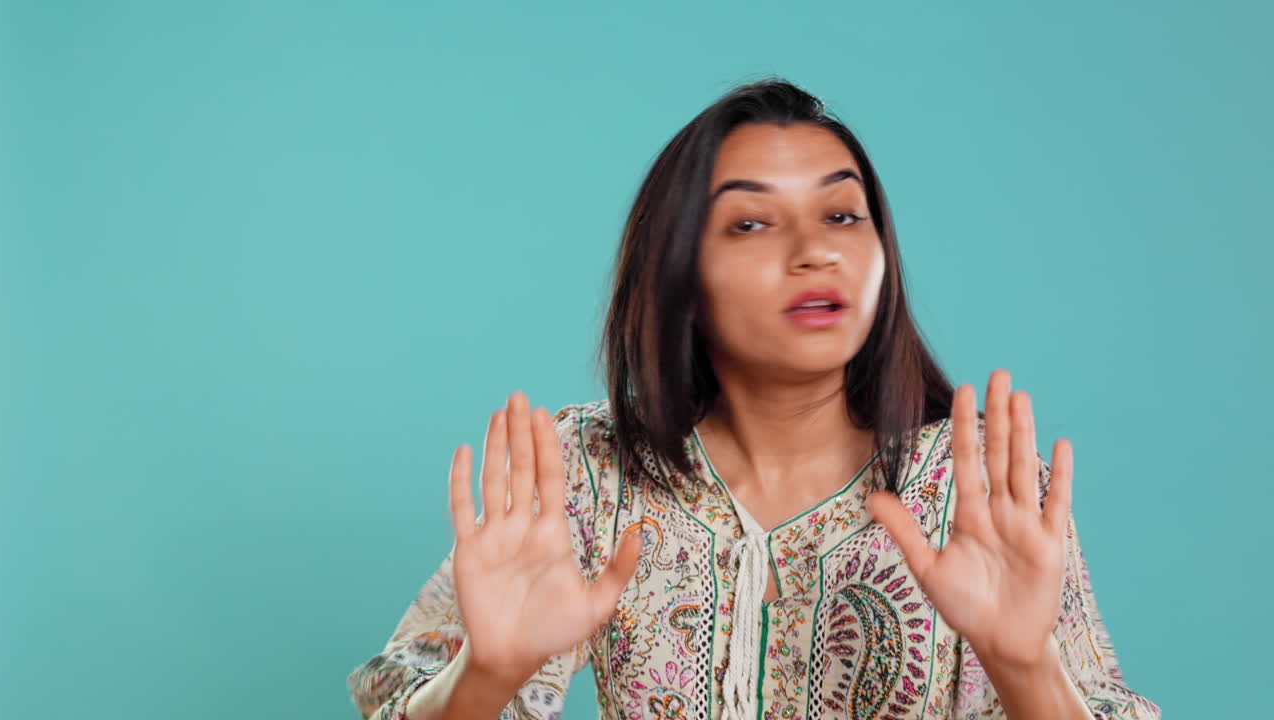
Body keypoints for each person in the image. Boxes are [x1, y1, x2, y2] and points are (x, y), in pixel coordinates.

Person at [345, 78, 1160, 720]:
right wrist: (485, 676)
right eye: (750, 225)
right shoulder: (586, 473)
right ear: (679, 275)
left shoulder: (982, 487)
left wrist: (1024, 666)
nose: (815, 251)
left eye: (843, 213)